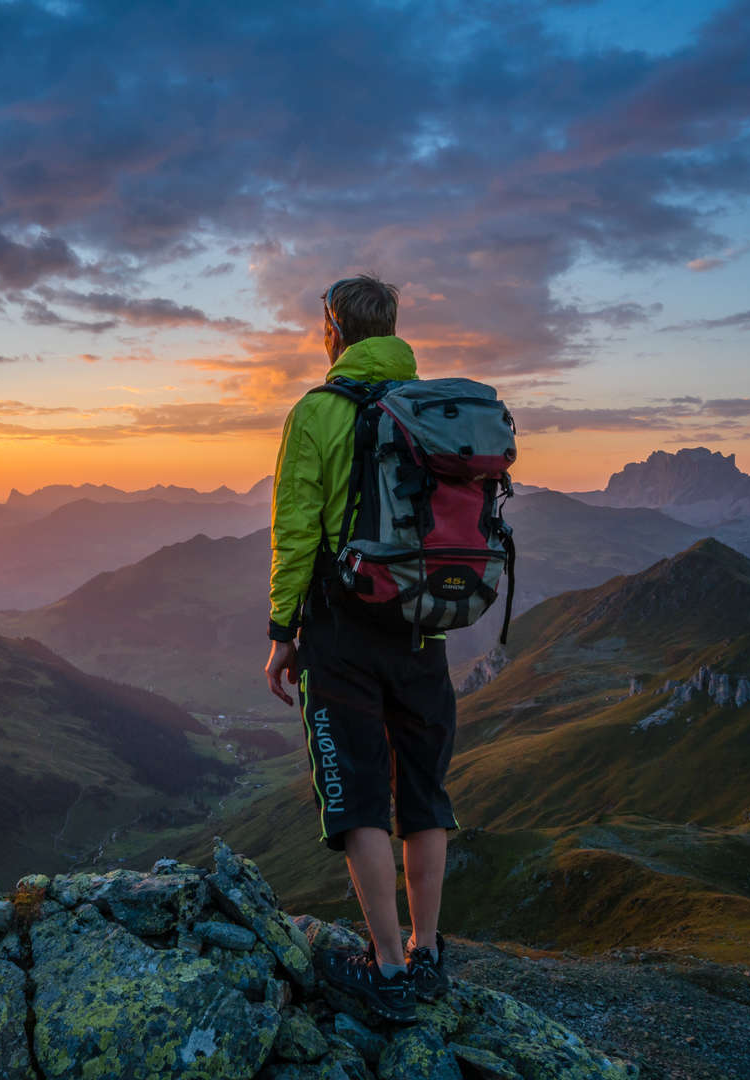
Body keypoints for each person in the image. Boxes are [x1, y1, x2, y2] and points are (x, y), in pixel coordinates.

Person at [264, 274, 456, 1023]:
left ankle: (385, 965)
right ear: (394, 328)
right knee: (424, 790)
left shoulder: (317, 412)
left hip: (341, 628)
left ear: (333, 331)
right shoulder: (432, 410)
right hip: (422, 624)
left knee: (358, 794)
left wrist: (283, 631)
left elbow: (297, 528)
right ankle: (429, 950)